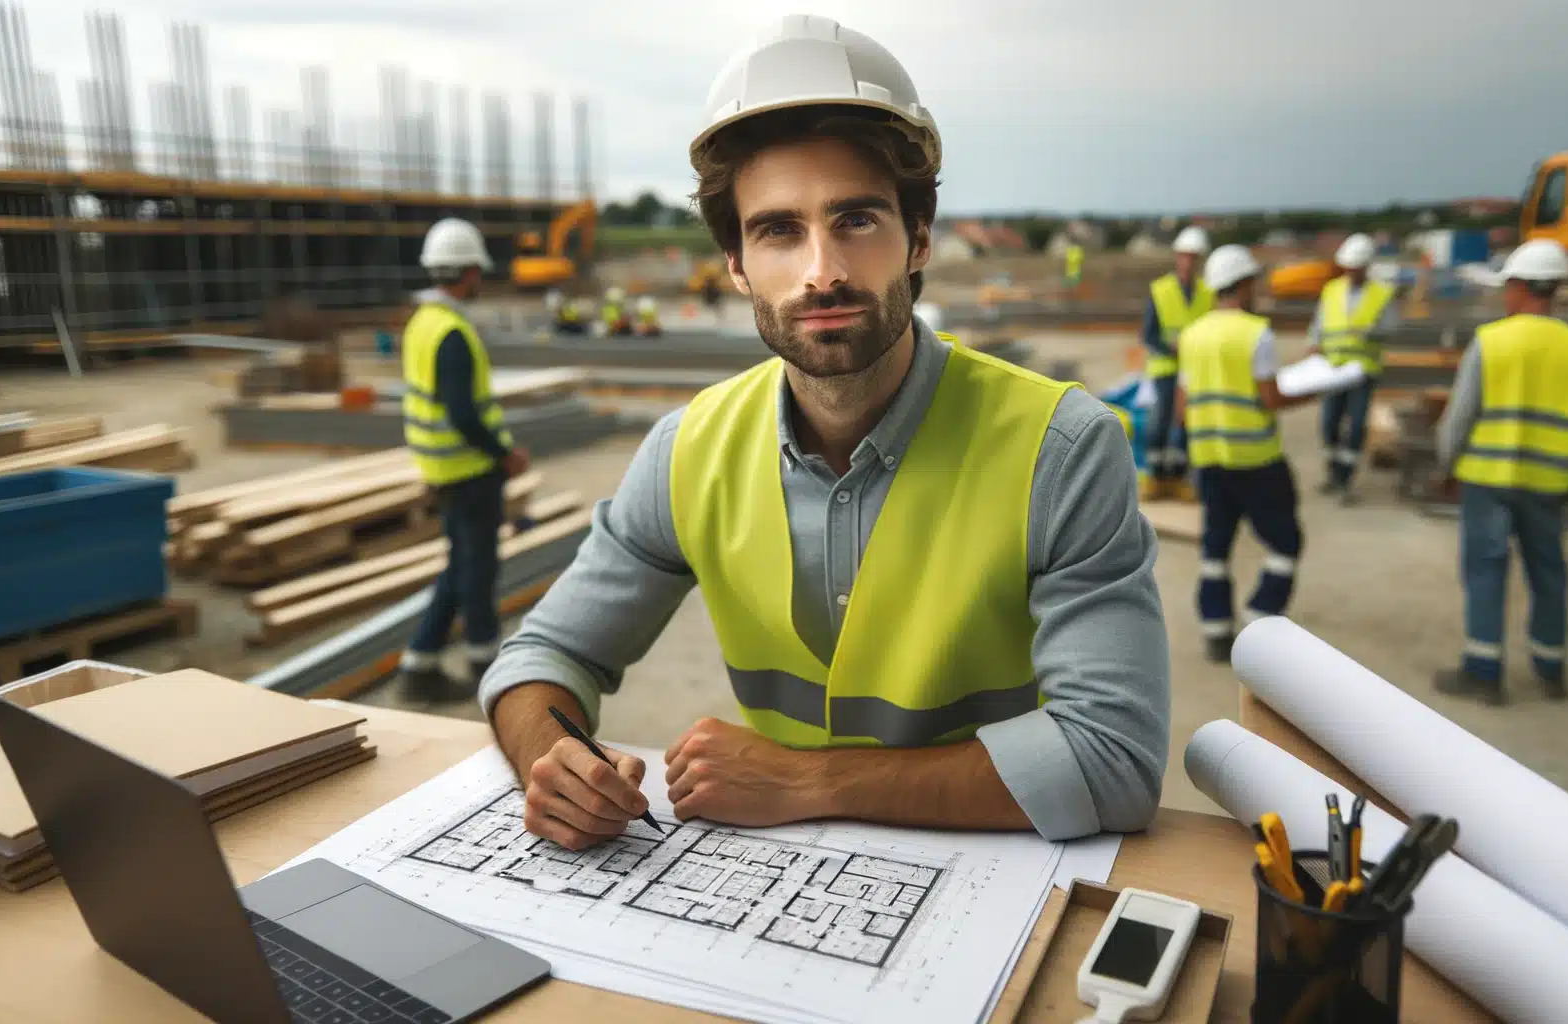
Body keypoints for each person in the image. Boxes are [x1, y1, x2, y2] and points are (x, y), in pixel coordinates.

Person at [478, 14, 1169, 851]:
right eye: (778, 230)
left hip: (999, 882)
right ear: (735, 264)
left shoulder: (1061, 451)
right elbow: (540, 658)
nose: (823, 272)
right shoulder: (690, 451)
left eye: (856, 220)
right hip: (785, 889)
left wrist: (808, 779)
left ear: (918, 237)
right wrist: (553, 759)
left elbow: (1116, 763)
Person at [1434, 239, 1568, 706]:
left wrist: (1446, 466)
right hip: (1549, 485)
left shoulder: (1491, 342)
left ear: (1517, 286)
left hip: (1488, 482)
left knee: (1486, 570)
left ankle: (1484, 672)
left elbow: (1460, 418)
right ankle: (1551, 670)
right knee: (1549, 573)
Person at [399, 217, 531, 699]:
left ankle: (420, 665)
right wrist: (505, 454)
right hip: (470, 470)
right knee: (477, 572)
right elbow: (462, 413)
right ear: (467, 271)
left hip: (443, 469)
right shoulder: (451, 331)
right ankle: (484, 670)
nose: (480, 279)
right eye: (478, 270)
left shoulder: (422, 323)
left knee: (461, 566)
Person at [1177, 245, 1315, 663]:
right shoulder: (1258, 333)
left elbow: (1182, 406)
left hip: (1210, 460)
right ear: (1242, 285)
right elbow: (1270, 399)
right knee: (1285, 542)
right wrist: (1312, 391)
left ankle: (1217, 632)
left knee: (1215, 550)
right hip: (1256, 461)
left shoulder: (1192, 334)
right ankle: (1260, 618)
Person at [1309, 232, 1398, 503]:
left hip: (1362, 370)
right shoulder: (1332, 290)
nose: (1352, 272)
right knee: (1329, 423)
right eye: (1349, 267)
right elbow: (1319, 322)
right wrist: (1312, 343)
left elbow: (1392, 326)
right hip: (1334, 368)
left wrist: (1371, 331)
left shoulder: (1381, 293)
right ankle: (1333, 473)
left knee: (1357, 426)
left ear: (1367, 266)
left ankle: (1346, 478)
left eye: (1357, 268)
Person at [1139, 226, 1213, 501]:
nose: (1189, 261)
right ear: (1177, 257)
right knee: (1158, 423)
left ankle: (1179, 477)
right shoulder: (1161, 290)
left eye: (1194, 257)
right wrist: (1170, 348)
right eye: (1185, 256)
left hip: (1193, 371)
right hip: (1165, 369)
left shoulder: (1207, 294)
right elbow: (1148, 334)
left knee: (1186, 424)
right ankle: (1156, 477)